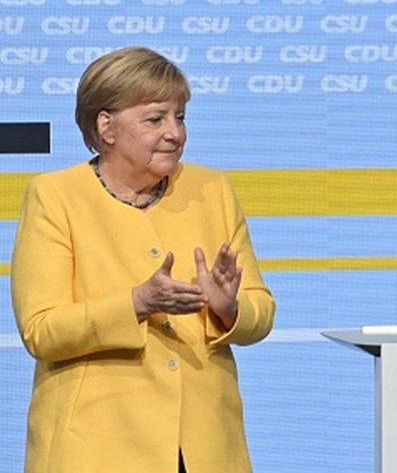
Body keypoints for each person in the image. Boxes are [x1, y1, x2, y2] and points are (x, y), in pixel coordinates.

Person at [11, 47, 276, 472]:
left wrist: (230, 308)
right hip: (95, 449)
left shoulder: (211, 189)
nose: (175, 133)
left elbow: (261, 311)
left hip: (204, 451)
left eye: (180, 117)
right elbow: (42, 330)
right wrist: (137, 303)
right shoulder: (56, 196)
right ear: (106, 126)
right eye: (155, 119)